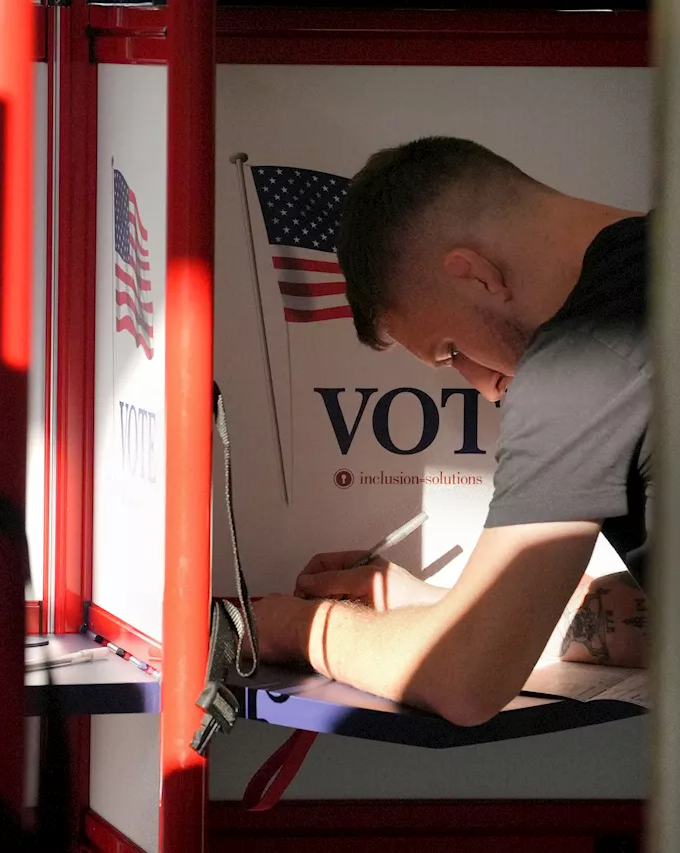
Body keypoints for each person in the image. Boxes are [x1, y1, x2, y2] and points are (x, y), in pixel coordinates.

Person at [250, 137, 652, 727]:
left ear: (476, 275)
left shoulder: (580, 357)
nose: (485, 386)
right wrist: (431, 608)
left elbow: (463, 683)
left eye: (453, 350)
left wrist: (282, 626)